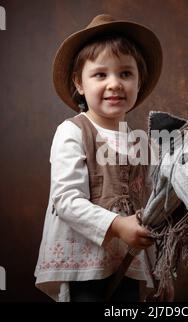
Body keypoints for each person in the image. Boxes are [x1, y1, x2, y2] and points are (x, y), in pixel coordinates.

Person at [34, 14, 163, 302]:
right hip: (84, 264)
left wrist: (161, 269)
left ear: (139, 83)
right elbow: (66, 199)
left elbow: (152, 208)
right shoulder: (73, 132)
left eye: (126, 74)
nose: (115, 84)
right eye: (101, 74)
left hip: (128, 262)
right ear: (79, 83)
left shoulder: (142, 144)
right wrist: (118, 226)